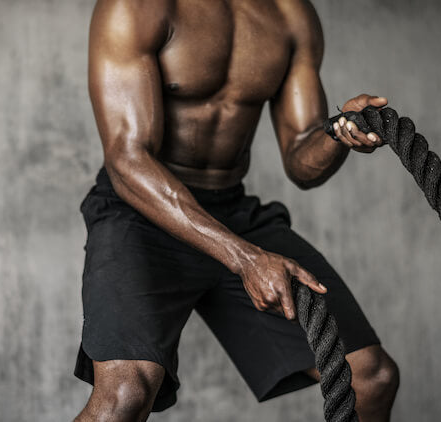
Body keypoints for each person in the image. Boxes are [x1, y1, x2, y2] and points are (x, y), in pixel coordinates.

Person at [74, 0, 399, 420]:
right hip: (141, 210)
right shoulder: (137, 7)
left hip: (233, 210)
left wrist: (338, 133)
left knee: (371, 379)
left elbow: (302, 158)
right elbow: (127, 159)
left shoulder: (290, 14)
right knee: (125, 395)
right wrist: (245, 258)